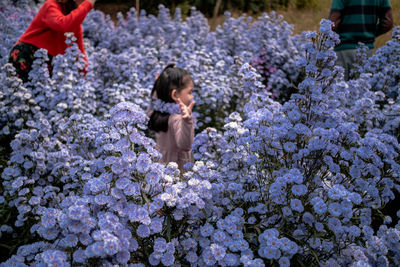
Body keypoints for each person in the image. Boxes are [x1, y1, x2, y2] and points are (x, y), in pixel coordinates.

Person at [8, 0, 96, 83]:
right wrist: (88, 4)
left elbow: (80, 54)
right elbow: (62, 25)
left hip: (47, 64)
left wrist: (88, 79)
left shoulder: (74, 24)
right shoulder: (51, 5)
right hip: (26, 55)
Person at [329, 0, 394, 80]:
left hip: (343, 50)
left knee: (339, 89)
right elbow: (388, 22)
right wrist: (370, 34)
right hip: (366, 50)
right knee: (363, 88)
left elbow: (332, 24)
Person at [147, 64, 196, 171]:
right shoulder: (177, 119)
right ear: (175, 95)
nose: (192, 96)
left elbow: (155, 100)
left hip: (158, 162)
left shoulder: (156, 112)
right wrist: (187, 121)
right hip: (177, 168)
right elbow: (185, 145)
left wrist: (159, 85)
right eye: (190, 92)